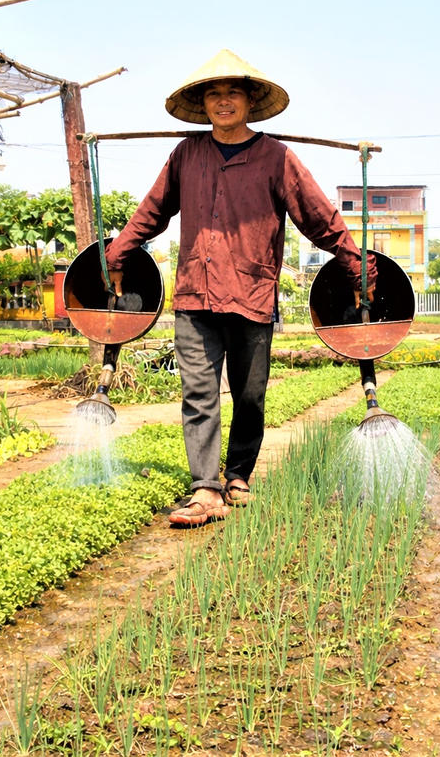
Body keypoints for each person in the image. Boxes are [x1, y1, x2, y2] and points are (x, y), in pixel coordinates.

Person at [105, 49, 375, 527]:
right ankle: (206, 490)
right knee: (198, 393)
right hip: (194, 293)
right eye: (214, 94)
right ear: (203, 104)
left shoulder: (277, 158)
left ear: (250, 102)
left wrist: (356, 264)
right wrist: (120, 249)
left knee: (249, 395)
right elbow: (153, 210)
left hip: (251, 294)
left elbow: (319, 218)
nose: (223, 101)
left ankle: (238, 474)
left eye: (232, 93)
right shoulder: (186, 154)